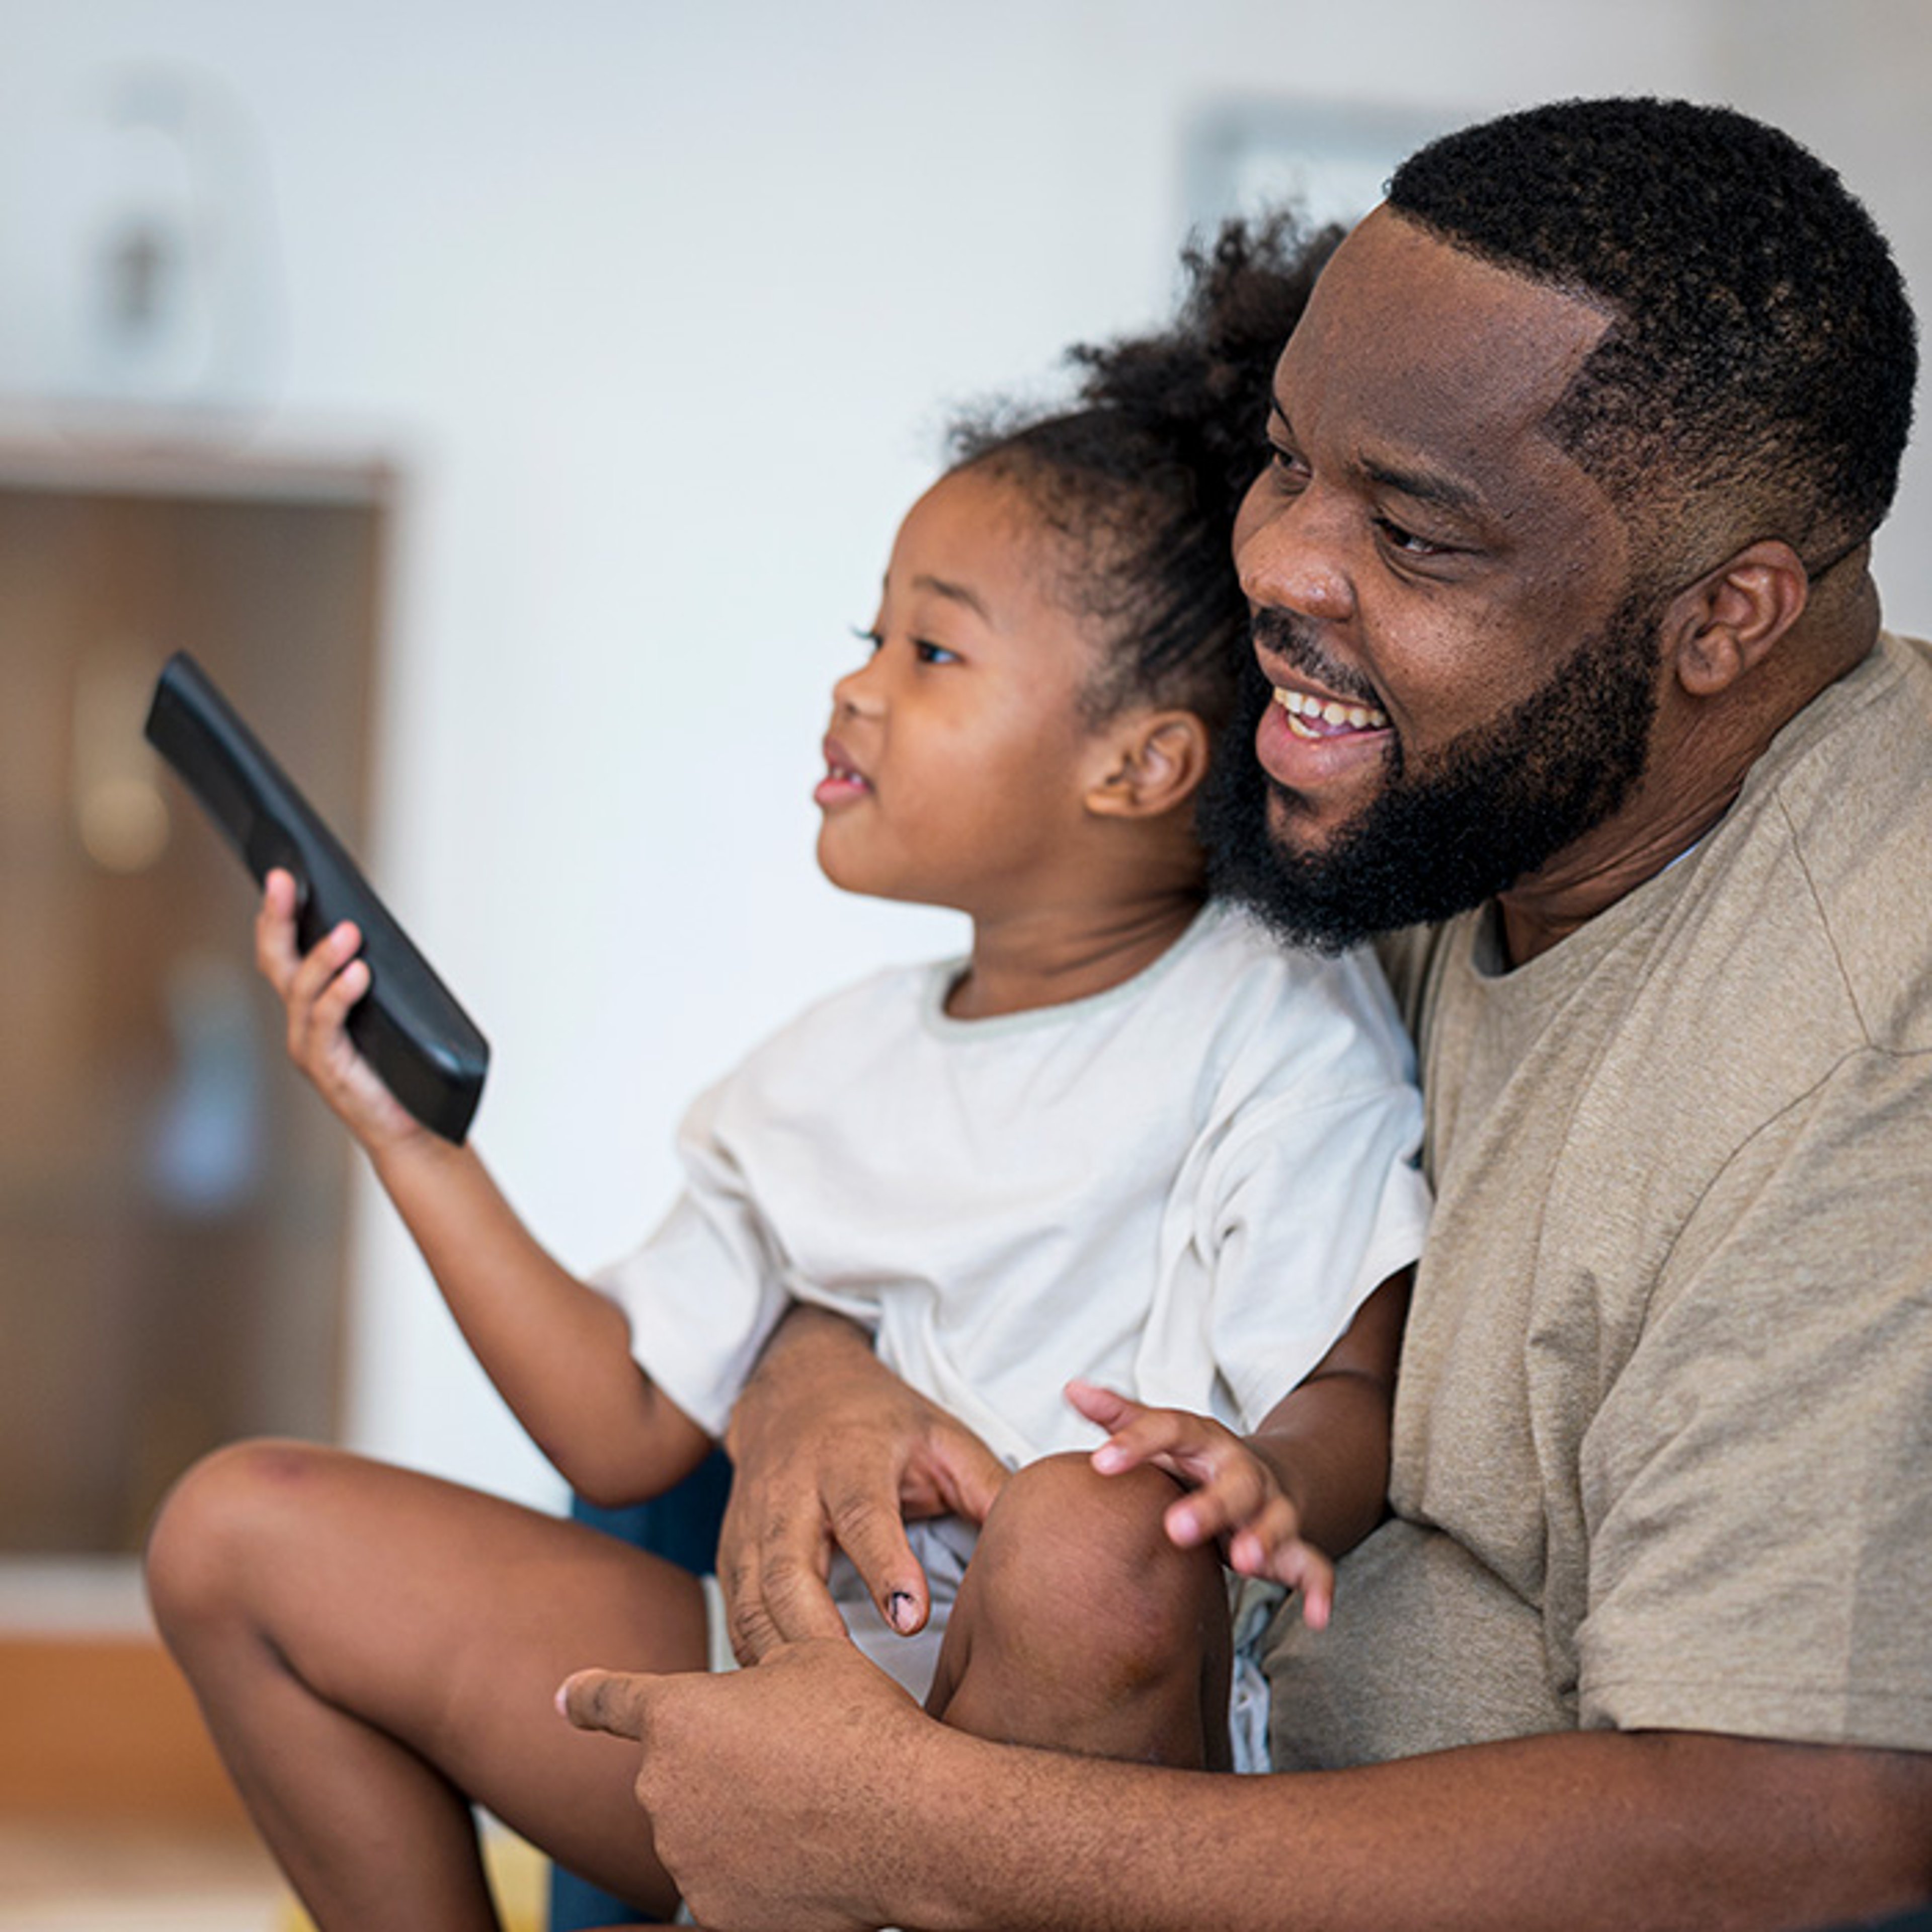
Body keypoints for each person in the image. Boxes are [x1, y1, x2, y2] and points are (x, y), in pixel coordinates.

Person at [559, 96, 1932, 1930]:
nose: (1278, 566)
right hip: (1105, 1698)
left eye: (1420, 536)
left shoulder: (1867, 1041)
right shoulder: (1447, 795)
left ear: (1726, 619)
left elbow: (1807, 1832)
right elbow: (998, 1126)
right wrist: (819, 1371)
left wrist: (915, 1828)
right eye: (1287, 461)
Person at [144, 216, 1435, 1927]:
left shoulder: (1273, 1026)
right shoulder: (821, 1074)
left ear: (1139, 764)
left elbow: (1348, 1386)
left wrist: (1277, 1482)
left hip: (1054, 1774)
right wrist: (405, 1135)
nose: (855, 688)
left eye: (931, 651)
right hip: (790, 1700)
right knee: (236, 1529)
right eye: (869, 634)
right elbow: (617, 1422)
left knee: (1084, 1536)